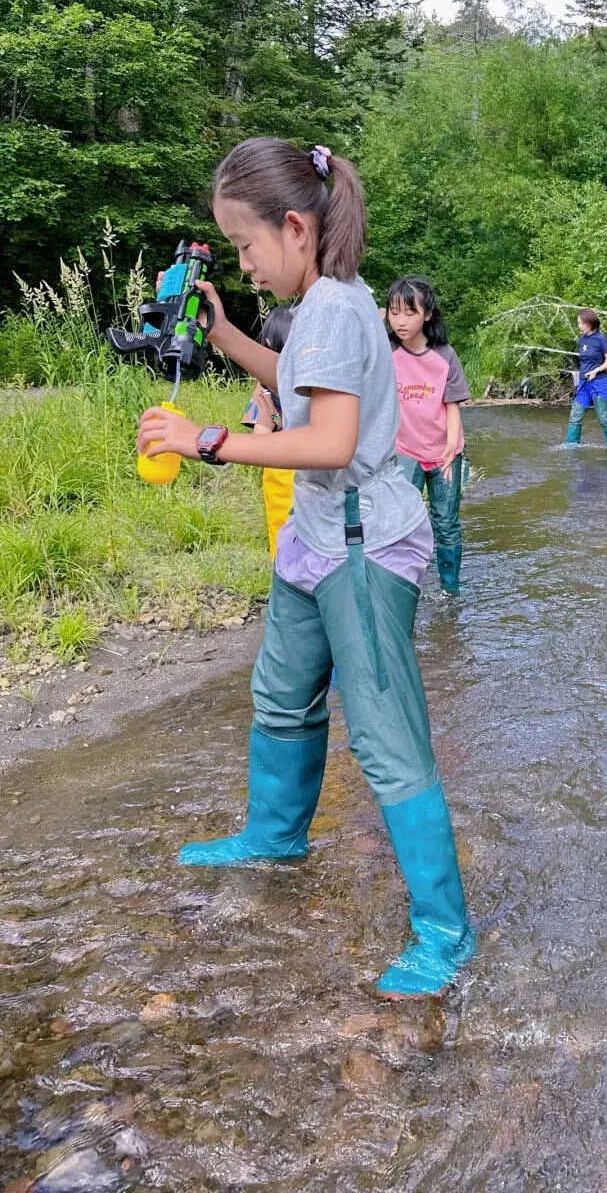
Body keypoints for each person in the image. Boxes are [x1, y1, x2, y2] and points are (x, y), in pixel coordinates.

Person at [137, 138, 474, 1000]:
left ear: (295, 225)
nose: (246, 265)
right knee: (282, 693)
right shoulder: (336, 299)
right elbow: (305, 381)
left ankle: (445, 932)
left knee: (386, 736)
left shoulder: (333, 302)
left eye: (248, 248)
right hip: (317, 537)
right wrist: (227, 336)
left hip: (362, 546)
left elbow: (326, 439)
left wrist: (206, 440)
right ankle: (277, 832)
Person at [386, 276, 469, 595]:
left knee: (446, 522)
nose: (401, 321)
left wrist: (450, 447)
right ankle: (401, 588)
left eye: (409, 313)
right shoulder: (386, 353)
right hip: (402, 451)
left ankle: (450, 590)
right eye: (395, 313)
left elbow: (451, 406)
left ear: (427, 314)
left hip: (444, 451)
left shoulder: (445, 356)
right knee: (399, 523)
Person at [241, 303, 295, 559]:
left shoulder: (317, 385)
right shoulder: (264, 391)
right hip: (281, 480)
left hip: (317, 479)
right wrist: (276, 418)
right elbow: (259, 438)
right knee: (284, 536)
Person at [566, 307, 607, 448]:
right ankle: (571, 445)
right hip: (583, 384)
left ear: (588, 323)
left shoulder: (601, 339)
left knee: (604, 418)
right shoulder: (581, 339)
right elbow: (584, 361)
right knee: (575, 416)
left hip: (599, 383)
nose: (578, 326)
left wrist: (596, 370)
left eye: (579, 323)